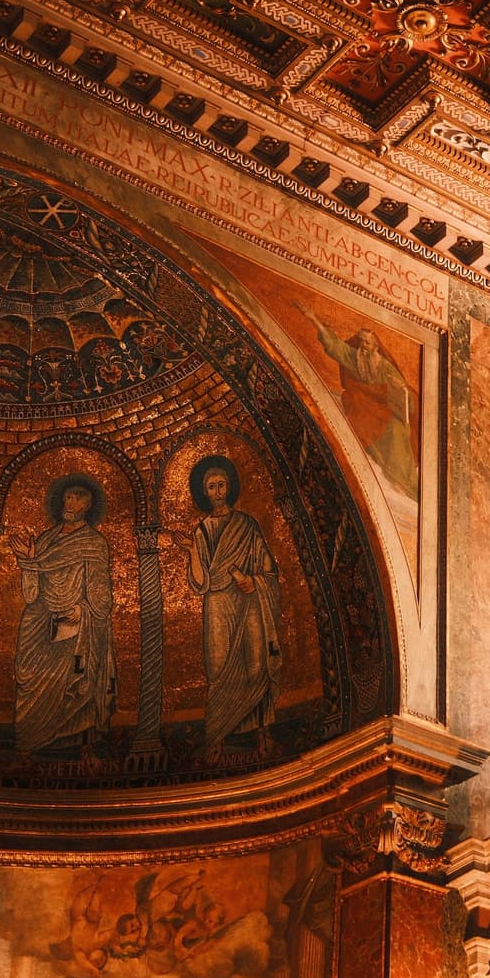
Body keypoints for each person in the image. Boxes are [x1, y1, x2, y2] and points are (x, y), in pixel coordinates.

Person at [186, 456, 281, 761]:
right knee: (218, 666)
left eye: (221, 484)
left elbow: (268, 569)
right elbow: (200, 583)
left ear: (230, 487)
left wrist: (254, 581)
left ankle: (263, 732)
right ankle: (217, 736)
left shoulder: (247, 524)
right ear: (204, 492)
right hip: (217, 604)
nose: (216, 491)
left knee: (255, 663)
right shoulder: (202, 530)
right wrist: (191, 551)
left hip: (249, 602)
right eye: (210, 487)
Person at [11, 477, 115, 756]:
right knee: (29, 675)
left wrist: (82, 610)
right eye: (68, 497)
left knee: (72, 683)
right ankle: (30, 744)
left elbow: (101, 592)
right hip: (38, 622)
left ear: (89, 504)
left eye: (79, 497)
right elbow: (31, 595)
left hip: (75, 625)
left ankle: (67, 745)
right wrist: (30, 563)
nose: (71, 503)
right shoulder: (45, 540)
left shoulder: (94, 543)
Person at [300, 309, 417, 496]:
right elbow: (335, 346)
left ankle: (403, 478)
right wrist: (314, 319)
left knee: (397, 430)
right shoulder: (354, 357)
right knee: (356, 402)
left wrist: (400, 389)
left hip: (384, 408)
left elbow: (405, 397)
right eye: (361, 341)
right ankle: (390, 468)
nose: (363, 345)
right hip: (363, 403)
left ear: (375, 346)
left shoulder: (384, 366)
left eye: (368, 343)